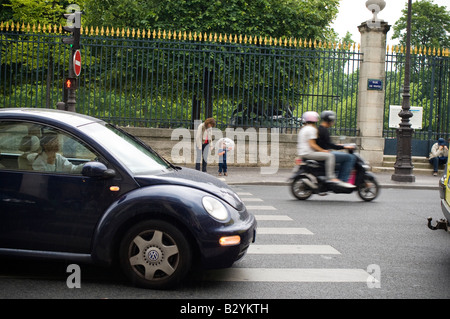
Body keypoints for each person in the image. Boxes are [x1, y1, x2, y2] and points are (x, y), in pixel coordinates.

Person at [297, 111, 354, 188]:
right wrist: (323, 150)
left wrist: (339, 146)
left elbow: (324, 143)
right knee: (332, 156)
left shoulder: (305, 129)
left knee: (332, 155)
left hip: (304, 153)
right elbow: (313, 144)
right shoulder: (312, 130)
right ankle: (334, 178)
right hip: (309, 153)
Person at [316, 110, 356, 183]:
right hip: (326, 153)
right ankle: (343, 181)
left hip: (325, 152)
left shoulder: (321, 129)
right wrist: (344, 147)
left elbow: (326, 143)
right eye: (332, 120)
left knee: (344, 157)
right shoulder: (324, 130)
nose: (333, 122)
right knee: (350, 158)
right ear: (329, 120)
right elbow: (330, 145)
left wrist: (341, 145)